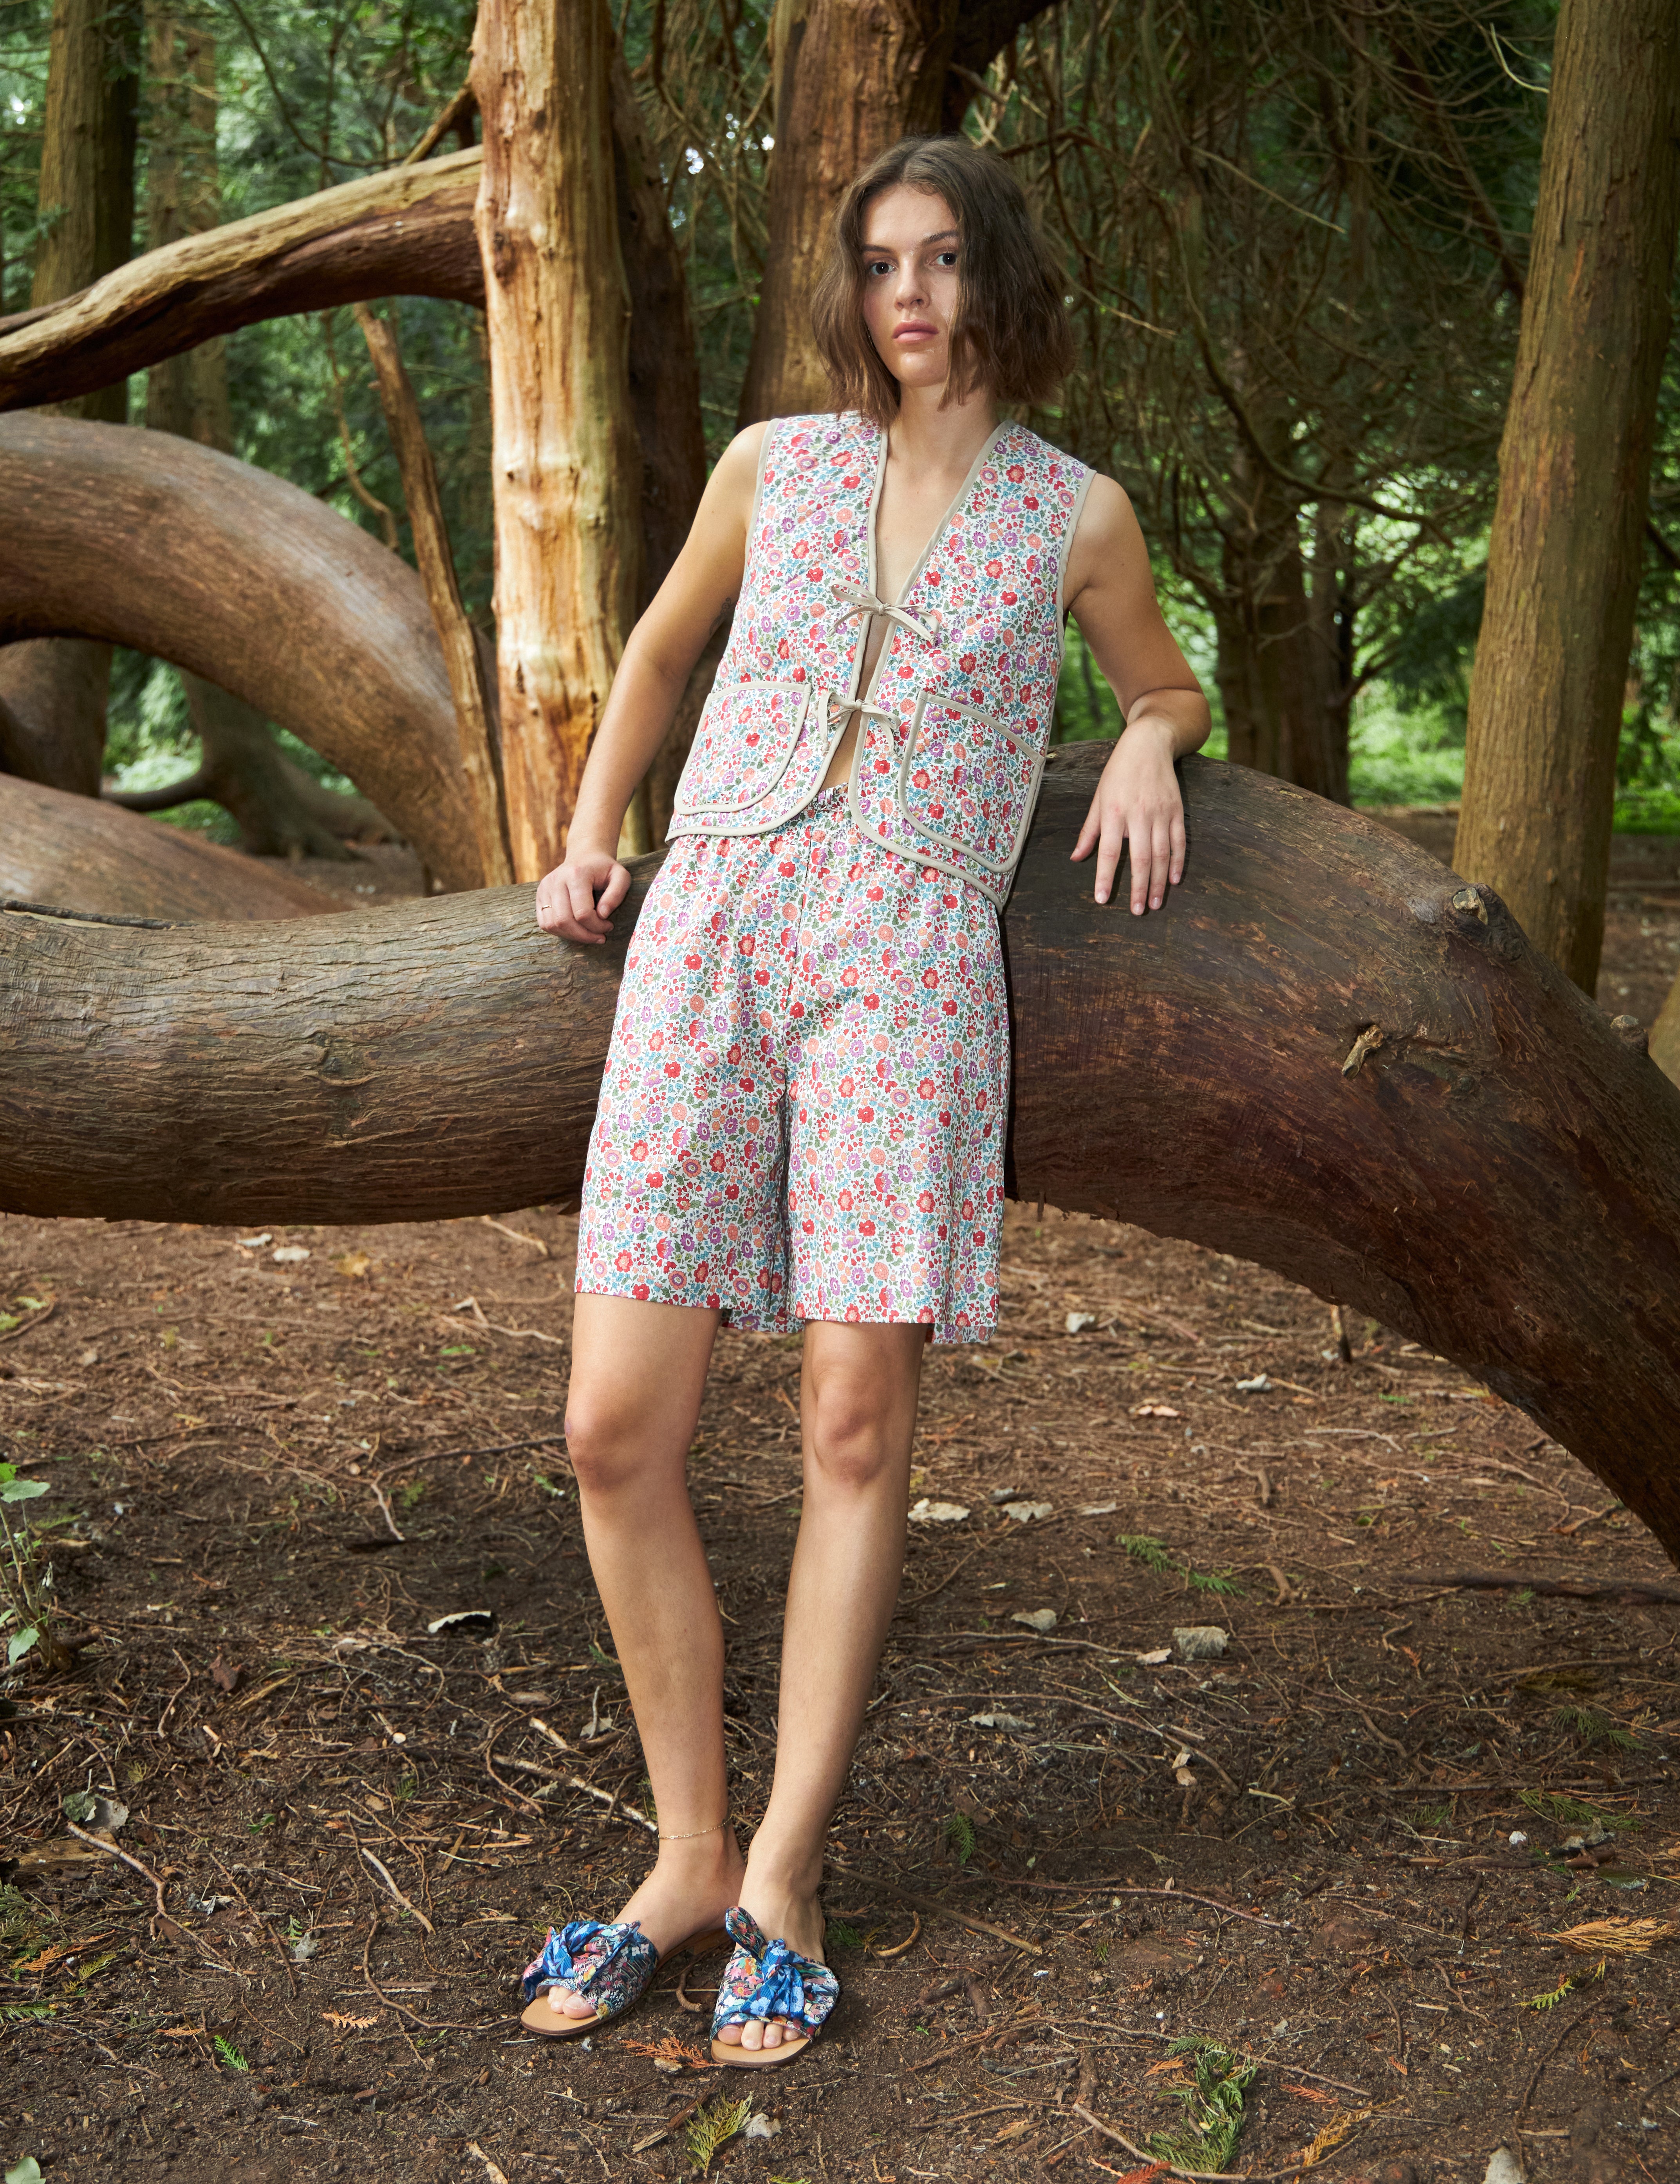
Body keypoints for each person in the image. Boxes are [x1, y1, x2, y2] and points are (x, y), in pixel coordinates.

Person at [523, 133, 1209, 2070]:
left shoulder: (1077, 514)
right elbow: (660, 649)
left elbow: (1167, 687)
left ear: (1001, 278)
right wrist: (589, 839)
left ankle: (783, 1876)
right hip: (711, 927)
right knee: (607, 1430)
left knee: (846, 1417)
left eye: (942, 260)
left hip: (905, 968)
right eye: (880, 264)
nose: (906, 294)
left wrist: (1148, 742)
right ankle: (678, 1854)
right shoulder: (774, 464)